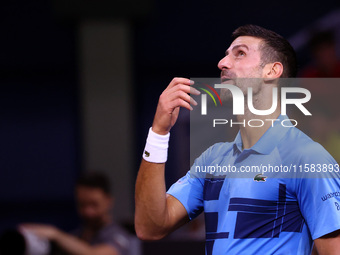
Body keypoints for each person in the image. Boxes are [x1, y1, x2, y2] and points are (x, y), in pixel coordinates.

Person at [135, 24, 340, 254]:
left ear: (272, 71)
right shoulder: (212, 159)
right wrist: (158, 133)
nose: (222, 63)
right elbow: (149, 227)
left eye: (239, 53)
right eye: (225, 55)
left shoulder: (307, 157)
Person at [21, 172, 134, 255]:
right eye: (82, 205)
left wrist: (55, 234)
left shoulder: (119, 236)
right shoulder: (74, 237)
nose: (88, 212)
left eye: (94, 204)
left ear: (108, 201)